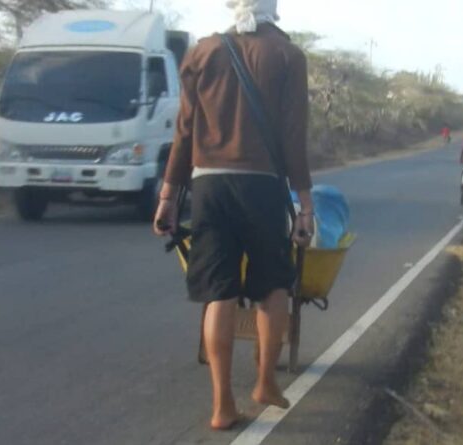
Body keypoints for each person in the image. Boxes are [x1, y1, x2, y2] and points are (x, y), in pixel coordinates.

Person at [153, 0, 313, 431]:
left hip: (208, 187)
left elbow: (184, 131)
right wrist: (304, 204)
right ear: (271, 8)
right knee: (274, 283)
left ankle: (223, 405)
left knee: (218, 291)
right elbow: (294, 136)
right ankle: (264, 383)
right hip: (261, 185)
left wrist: (168, 195)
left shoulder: (203, 52)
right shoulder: (287, 55)